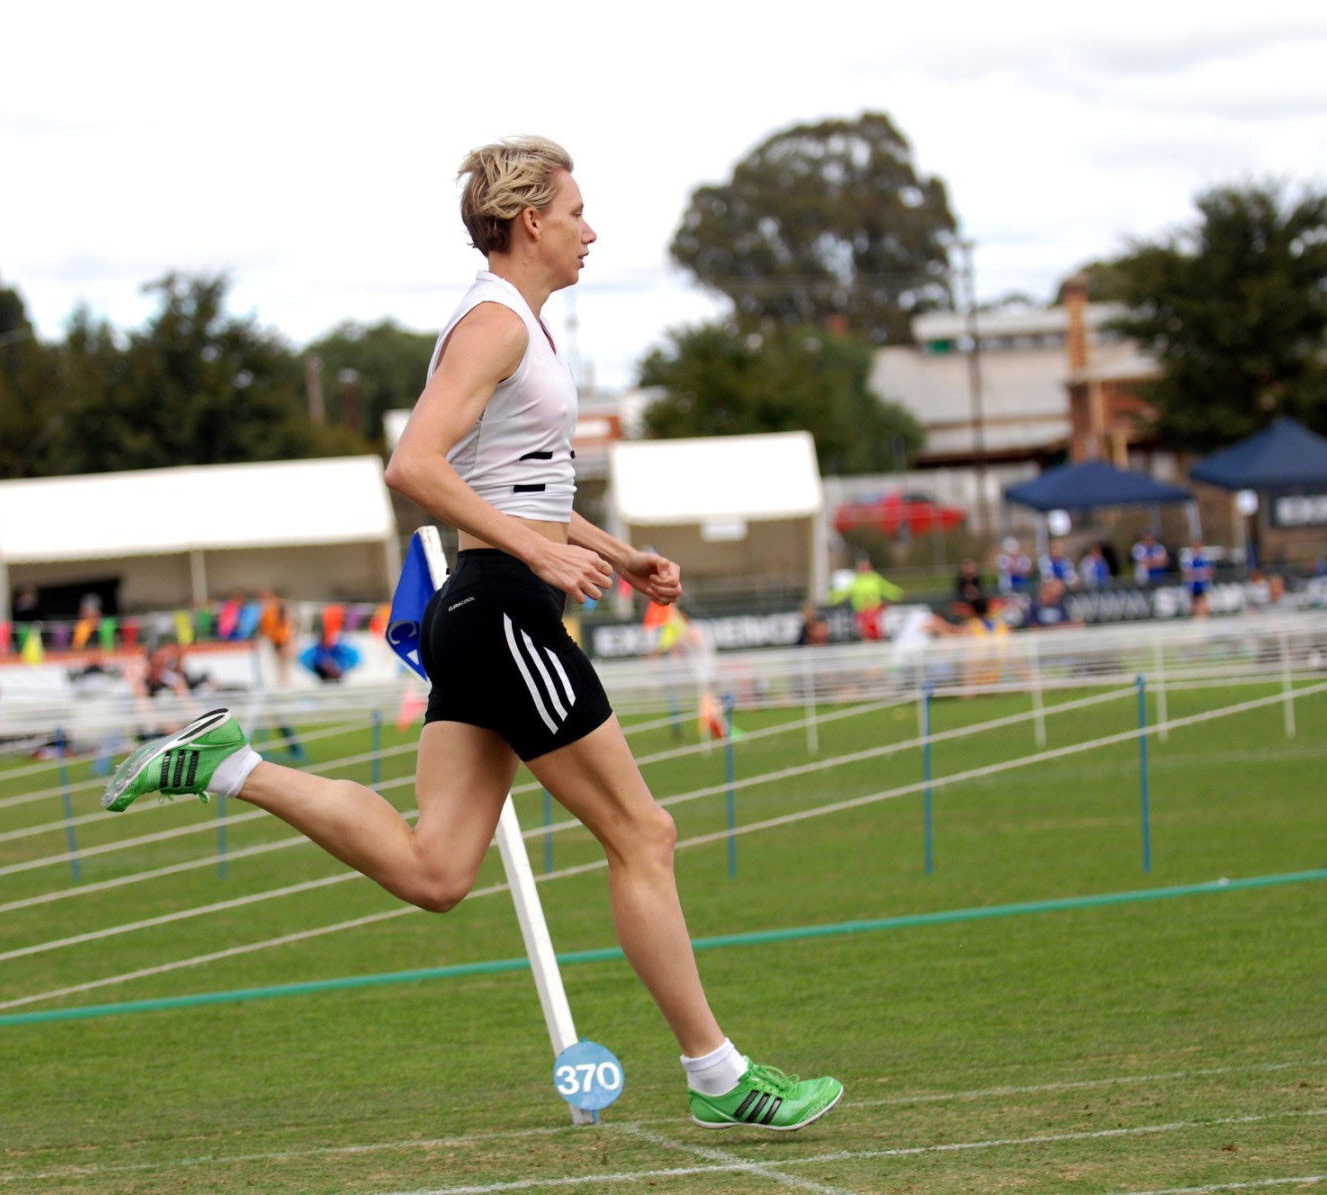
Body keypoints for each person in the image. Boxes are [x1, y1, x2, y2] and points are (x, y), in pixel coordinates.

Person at [101, 137, 841, 1132]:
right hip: (498, 610)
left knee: (437, 869)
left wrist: (612, 552)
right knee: (643, 832)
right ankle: (720, 1076)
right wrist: (539, 561)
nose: (592, 230)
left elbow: (515, 488)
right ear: (531, 220)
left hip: (484, 607)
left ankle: (231, 766)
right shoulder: (495, 322)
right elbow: (414, 464)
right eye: (578, 211)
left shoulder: (519, 326)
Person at [828, 555, 903, 641]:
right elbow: (844, 592)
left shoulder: (874, 578)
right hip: (862, 613)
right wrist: (833, 598)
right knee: (866, 635)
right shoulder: (855, 580)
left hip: (875, 612)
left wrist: (897, 593)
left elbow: (886, 588)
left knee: (878, 633)